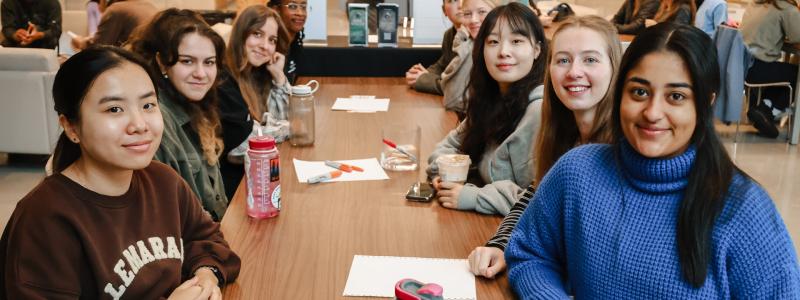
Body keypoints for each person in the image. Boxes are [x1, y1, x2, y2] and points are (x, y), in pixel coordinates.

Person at [506, 23, 800, 298]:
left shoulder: (744, 209)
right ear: (620, 92)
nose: (652, 112)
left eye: (675, 96)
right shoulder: (577, 171)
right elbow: (530, 253)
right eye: (640, 92)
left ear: (705, 102)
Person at [0, 46, 241, 298]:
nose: (139, 124)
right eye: (114, 109)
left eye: (148, 105)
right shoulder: (44, 218)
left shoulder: (163, 180)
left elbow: (207, 238)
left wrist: (205, 275)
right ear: (71, 127)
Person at [468, 15, 621, 279]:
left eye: (590, 60)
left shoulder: (621, 149)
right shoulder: (564, 135)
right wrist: (501, 244)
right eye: (563, 60)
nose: (574, 72)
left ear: (615, 67)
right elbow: (535, 195)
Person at [427, 2, 547, 216]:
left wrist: (475, 197)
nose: (503, 52)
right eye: (493, 42)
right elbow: (448, 147)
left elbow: (542, 200)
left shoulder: (539, 112)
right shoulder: (492, 100)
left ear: (537, 49)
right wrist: (442, 173)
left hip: (513, 239)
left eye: (517, 41)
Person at [128, 9, 230, 221]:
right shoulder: (155, 120)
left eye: (209, 62)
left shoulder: (195, 104)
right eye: (187, 61)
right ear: (162, 62)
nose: (201, 73)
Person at [217, 5, 291, 199]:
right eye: (257, 34)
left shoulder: (257, 73)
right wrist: (294, 128)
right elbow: (243, 146)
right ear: (241, 34)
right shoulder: (223, 80)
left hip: (258, 178)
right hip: (234, 191)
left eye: (272, 40)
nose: (265, 46)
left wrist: (279, 77)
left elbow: (281, 118)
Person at [740, 0, 800, 138]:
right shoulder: (785, 8)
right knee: (795, 74)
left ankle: (765, 108)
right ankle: (768, 110)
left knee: (783, 71)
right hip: (758, 69)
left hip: (742, 66)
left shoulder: (755, 3)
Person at [441, 0, 498, 116]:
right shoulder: (473, 45)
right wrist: (463, 42)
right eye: (467, 14)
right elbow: (452, 100)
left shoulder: (501, 50)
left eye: (482, 12)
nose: (473, 20)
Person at [405, 0, 461, 95]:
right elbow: (442, 65)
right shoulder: (449, 35)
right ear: (444, 10)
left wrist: (423, 79)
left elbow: (456, 87)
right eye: (452, 0)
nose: (460, 5)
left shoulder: (477, 36)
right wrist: (418, 73)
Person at [72, 0, 158, 50]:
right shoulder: (149, 5)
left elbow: (98, 48)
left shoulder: (116, 9)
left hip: (138, 66)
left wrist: (81, 43)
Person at [268, 0, 308, 84]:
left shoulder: (294, 45)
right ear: (277, 10)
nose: (300, 13)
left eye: (303, 7)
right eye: (292, 6)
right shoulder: (269, 49)